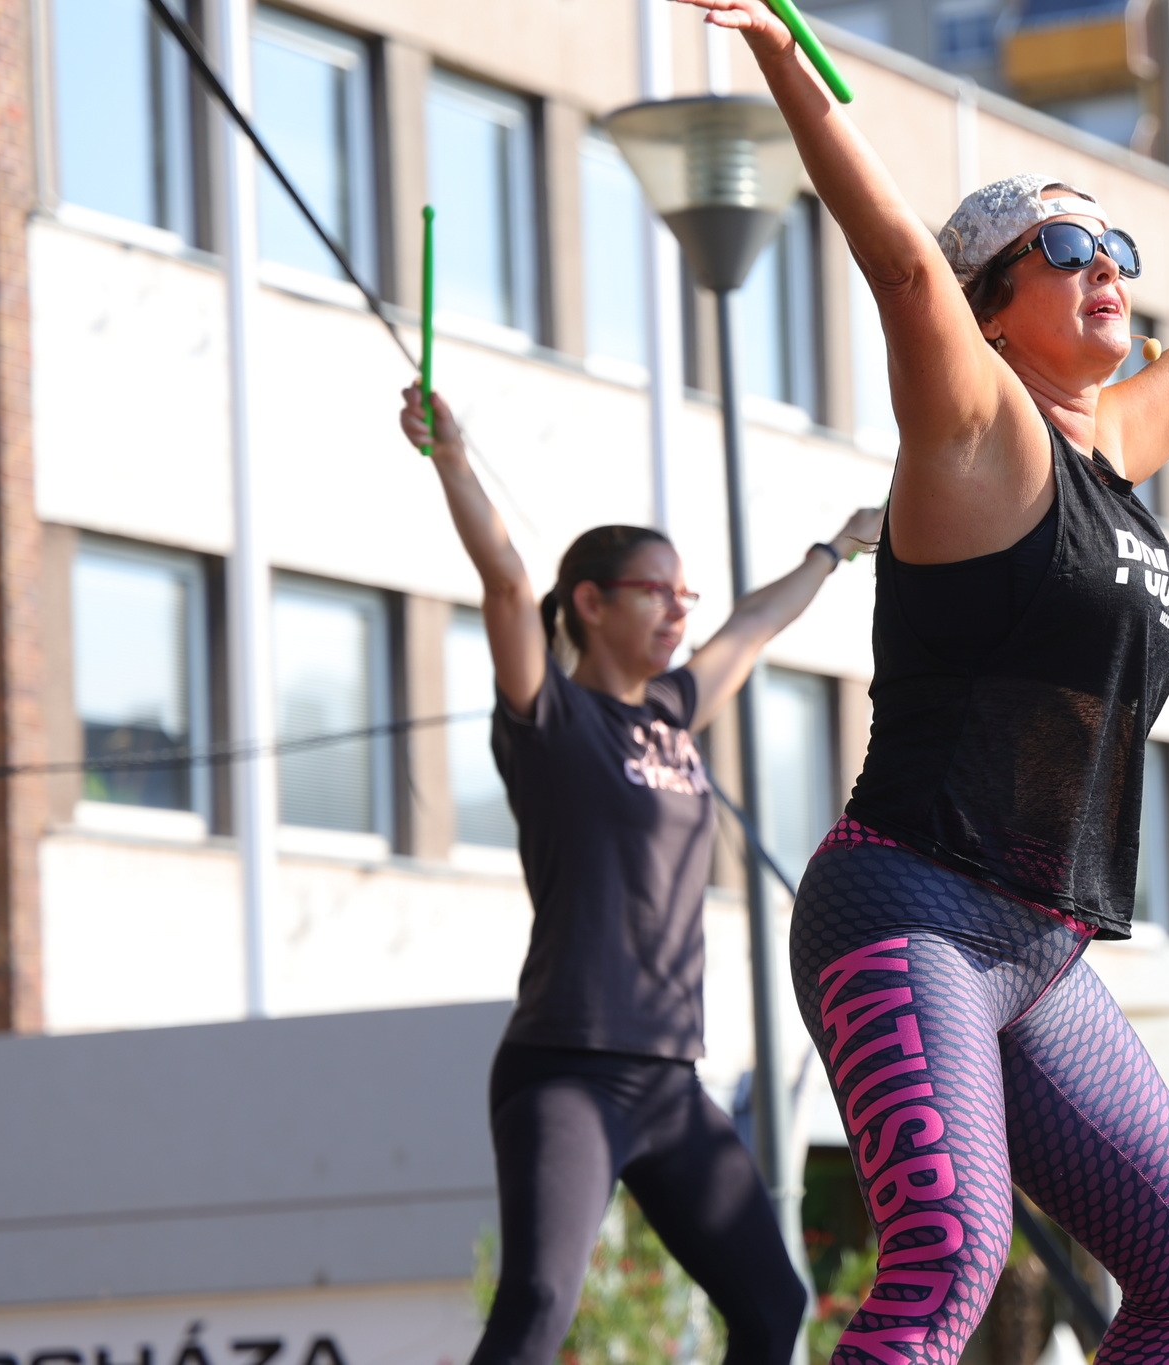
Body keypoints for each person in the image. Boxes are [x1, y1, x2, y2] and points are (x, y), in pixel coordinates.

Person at [671, 3, 1169, 1362]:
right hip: (906, 907)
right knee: (950, 1256)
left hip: (1039, 944)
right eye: (1065, 250)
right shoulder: (975, 437)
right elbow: (902, 266)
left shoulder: (1108, 448)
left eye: (1117, 248)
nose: (1106, 267)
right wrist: (781, 52)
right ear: (991, 309)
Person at [399, 383, 881, 1365]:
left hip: (668, 1079)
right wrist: (452, 457)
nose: (677, 610)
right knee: (539, 1301)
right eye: (655, 591)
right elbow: (505, 584)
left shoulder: (671, 712)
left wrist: (836, 547)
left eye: (682, 595)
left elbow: (752, 625)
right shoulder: (548, 717)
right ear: (591, 602)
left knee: (772, 1306)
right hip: (566, 1067)